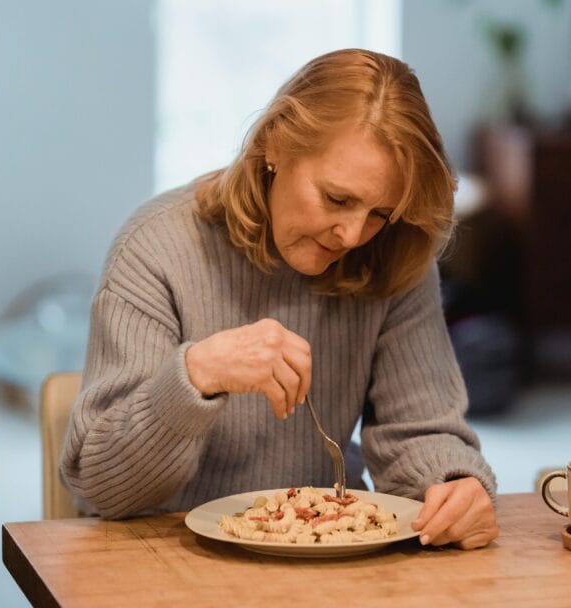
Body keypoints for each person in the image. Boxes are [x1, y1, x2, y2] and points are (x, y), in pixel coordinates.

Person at [60, 48, 498, 549]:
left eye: (380, 213)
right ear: (275, 144)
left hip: (325, 557)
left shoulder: (394, 255)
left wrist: (450, 488)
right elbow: (103, 487)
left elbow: (419, 431)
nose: (354, 235)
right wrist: (196, 375)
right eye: (337, 199)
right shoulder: (155, 248)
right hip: (163, 559)